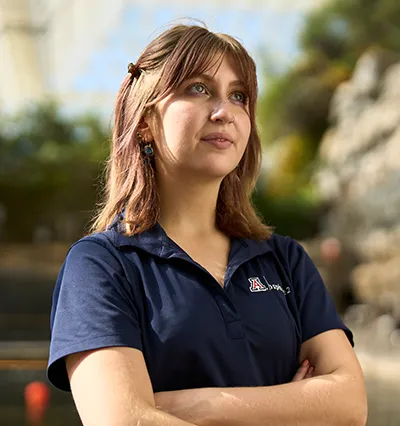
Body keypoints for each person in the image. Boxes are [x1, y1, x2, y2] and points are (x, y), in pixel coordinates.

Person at [46, 22, 367, 426]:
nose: (224, 112)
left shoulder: (286, 260)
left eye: (239, 96)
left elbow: (350, 405)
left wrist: (203, 406)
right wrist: (292, 405)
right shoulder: (100, 266)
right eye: (198, 88)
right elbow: (124, 422)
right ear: (144, 120)